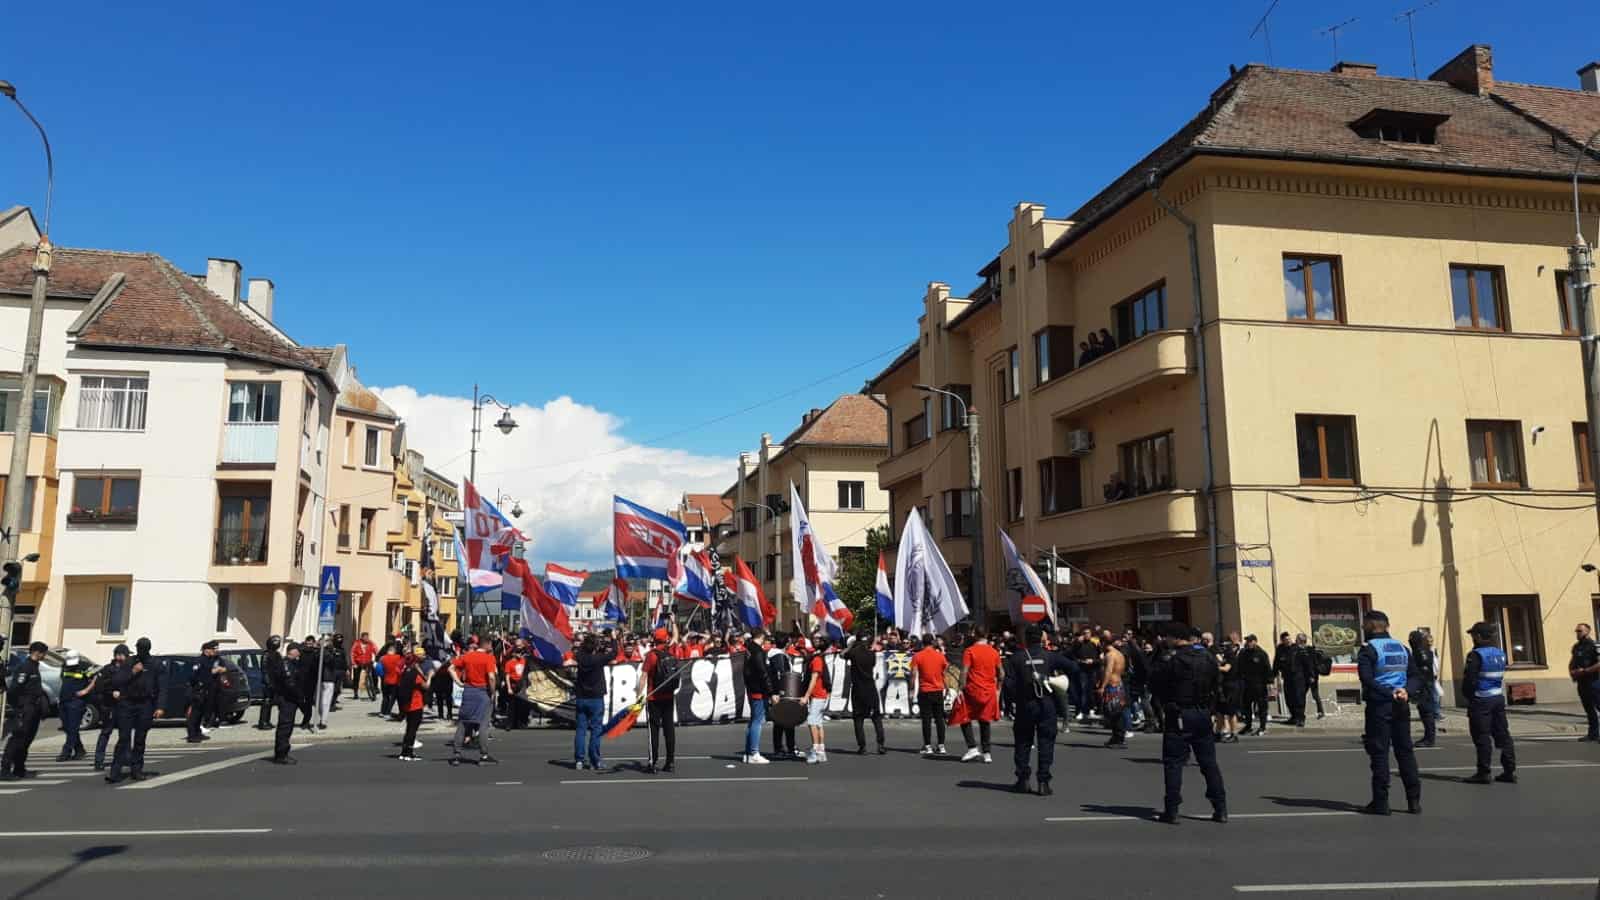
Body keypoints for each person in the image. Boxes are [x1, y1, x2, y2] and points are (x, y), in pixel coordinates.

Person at [1149, 624, 1227, 825]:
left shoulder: (1171, 659)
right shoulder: (1207, 657)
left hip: (1179, 714)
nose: (1165, 641)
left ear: (1175, 638)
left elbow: (1155, 683)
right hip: (1202, 713)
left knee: (1173, 763)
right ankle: (1221, 808)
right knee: (1209, 763)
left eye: (1167, 637)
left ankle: (1172, 809)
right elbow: (1216, 682)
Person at [1356, 610, 1421, 815]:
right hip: (1401, 703)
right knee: (1405, 752)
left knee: (1379, 753)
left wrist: (1388, 692)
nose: (1362, 628)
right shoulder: (1402, 647)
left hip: (1380, 705)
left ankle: (1381, 803)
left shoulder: (1368, 648)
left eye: (1364, 624)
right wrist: (1405, 691)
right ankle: (1414, 802)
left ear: (1371, 625)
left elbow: (1366, 678)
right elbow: (1415, 676)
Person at [1006, 625, 1072, 795]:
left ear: (1026, 639)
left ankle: (1023, 781)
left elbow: (1008, 685)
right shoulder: (1050, 656)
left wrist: (1014, 699)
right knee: (1046, 742)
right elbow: (1074, 668)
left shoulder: (1016, 658)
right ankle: (1043, 783)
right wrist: (1053, 681)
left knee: (1022, 742)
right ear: (1042, 639)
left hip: (1024, 705)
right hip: (1046, 705)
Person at [1459, 622, 1516, 785]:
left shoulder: (1476, 655)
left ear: (1478, 636)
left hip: (1481, 699)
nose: (1472, 638)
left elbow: (1469, 680)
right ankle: (1509, 770)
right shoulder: (1500, 653)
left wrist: (1469, 696)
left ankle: (1483, 772)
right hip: (1497, 697)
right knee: (1503, 734)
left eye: (1473, 635)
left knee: (1482, 736)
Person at [1, 641, 50, 780]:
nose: (44, 656)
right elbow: (14, 690)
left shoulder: (34, 667)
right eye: (44, 653)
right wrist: (20, 708)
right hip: (25, 709)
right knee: (17, 740)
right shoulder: (25, 667)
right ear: (37, 653)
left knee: (26, 740)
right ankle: (5, 769)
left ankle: (19, 769)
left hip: (33, 709)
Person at [954, 628, 1002, 763]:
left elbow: (964, 671)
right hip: (989, 690)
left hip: (972, 689)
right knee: (985, 720)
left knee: (963, 716)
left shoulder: (969, 651)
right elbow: (1001, 673)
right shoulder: (994, 652)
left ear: (975, 635)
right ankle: (987, 752)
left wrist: (959, 689)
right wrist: (998, 688)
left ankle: (972, 747)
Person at [567, 633, 608, 772]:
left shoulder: (579, 656)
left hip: (581, 697)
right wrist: (612, 639)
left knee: (581, 730)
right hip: (596, 697)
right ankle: (594, 760)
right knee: (596, 730)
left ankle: (579, 759)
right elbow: (614, 652)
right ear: (595, 646)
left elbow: (578, 652)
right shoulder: (599, 659)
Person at [642, 627, 680, 773]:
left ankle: (653, 762)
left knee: (654, 730)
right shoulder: (671, 651)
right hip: (668, 696)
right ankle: (670, 762)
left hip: (653, 697)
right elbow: (676, 637)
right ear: (666, 639)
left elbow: (644, 677)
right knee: (669, 729)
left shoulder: (651, 655)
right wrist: (673, 622)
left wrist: (640, 695)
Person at [128, 636, 166, 780]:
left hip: (146, 704)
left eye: (143, 648)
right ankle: (121, 765)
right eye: (139, 648)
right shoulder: (131, 662)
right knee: (124, 737)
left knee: (140, 738)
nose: (140, 650)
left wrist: (160, 707)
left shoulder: (156, 664)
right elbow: (121, 679)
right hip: (129, 703)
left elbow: (162, 687)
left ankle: (136, 769)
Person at [844, 628, 886, 755]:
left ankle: (862, 747)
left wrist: (851, 646)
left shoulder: (853, 653)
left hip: (858, 689)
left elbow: (842, 654)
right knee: (876, 718)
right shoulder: (871, 654)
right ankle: (881, 745)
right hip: (870, 688)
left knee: (858, 719)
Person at [268, 642, 305, 764]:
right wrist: (299, 696)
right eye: (298, 650)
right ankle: (281, 754)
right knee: (285, 726)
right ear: (292, 651)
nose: (299, 653)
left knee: (287, 726)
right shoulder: (285, 664)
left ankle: (282, 753)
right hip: (286, 699)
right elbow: (290, 684)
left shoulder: (292, 664)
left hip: (289, 698)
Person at [742, 628, 775, 765]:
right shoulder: (757, 651)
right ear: (761, 636)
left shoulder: (749, 649)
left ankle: (749, 752)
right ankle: (754, 752)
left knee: (753, 721)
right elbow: (763, 672)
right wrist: (771, 692)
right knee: (757, 721)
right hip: (758, 689)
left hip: (751, 687)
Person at [89, 646, 125, 771]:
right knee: (106, 732)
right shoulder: (107, 670)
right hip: (109, 706)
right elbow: (99, 687)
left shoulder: (127, 669)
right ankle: (98, 761)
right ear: (118, 656)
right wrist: (111, 692)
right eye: (124, 655)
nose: (125, 658)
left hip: (123, 706)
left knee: (124, 733)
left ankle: (125, 758)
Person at [912, 634, 949, 755]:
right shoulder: (940, 656)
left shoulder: (917, 656)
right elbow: (945, 673)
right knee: (939, 719)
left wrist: (911, 689)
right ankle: (941, 745)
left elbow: (913, 674)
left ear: (922, 643)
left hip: (925, 690)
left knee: (926, 719)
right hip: (938, 689)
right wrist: (947, 687)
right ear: (932, 642)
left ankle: (928, 746)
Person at [186, 640, 226, 743]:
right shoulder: (199, 660)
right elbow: (194, 675)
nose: (214, 651)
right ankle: (191, 735)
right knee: (195, 713)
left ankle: (197, 732)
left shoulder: (210, 660)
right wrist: (200, 683)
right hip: (198, 690)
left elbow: (218, 669)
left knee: (201, 713)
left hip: (207, 690)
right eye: (212, 649)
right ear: (206, 650)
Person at [56, 651, 93, 761]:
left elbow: (96, 678)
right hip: (64, 699)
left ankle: (66, 751)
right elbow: (63, 679)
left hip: (77, 701)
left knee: (73, 727)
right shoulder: (65, 665)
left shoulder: (84, 666)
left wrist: (86, 690)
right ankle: (80, 750)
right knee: (67, 727)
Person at [768, 633, 799, 760]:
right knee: (786, 722)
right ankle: (788, 748)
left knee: (780, 722)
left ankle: (781, 748)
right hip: (783, 693)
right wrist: (778, 692)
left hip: (780, 692)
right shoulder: (778, 656)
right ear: (786, 643)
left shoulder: (775, 654)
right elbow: (781, 675)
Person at [804, 637, 833, 764]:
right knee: (819, 723)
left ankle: (815, 751)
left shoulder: (816, 660)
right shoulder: (819, 658)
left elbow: (813, 679)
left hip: (817, 695)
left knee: (812, 722)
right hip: (821, 695)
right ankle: (821, 751)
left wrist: (806, 695)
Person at [397, 647, 429, 761]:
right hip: (415, 704)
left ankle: (404, 752)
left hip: (407, 704)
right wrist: (430, 676)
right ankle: (408, 753)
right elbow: (426, 686)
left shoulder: (405, 672)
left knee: (408, 729)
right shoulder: (415, 674)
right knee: (412, 730)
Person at [1569, 622, 1599, 742]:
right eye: (1576, 631)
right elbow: (1572, 661)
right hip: (1582, 682)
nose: (1577, 633)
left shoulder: (1594, 645)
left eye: (1580, 631)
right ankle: (1593, 734)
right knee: (1589, 709)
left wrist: (1585, 671)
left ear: (1587, 631)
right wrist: (1572, 672)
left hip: (1594, 681)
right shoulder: (1576, 646)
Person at [1236, 634, 1272, 735]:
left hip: (1259, 684)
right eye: (1247, 641)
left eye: (1250, 641)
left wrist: (1270, 683)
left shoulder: (1261, 654)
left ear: (1255, 641)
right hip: (1246, 684)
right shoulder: (1243, 653)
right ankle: (1248, 726)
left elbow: (1267, 669)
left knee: (1262, 707)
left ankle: (1262, 727)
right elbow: (1238, 667)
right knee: (1246, 707)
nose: (1248, 643)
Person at [1410, 629, 1439, 747]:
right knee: (1426, 712)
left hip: (1424, 685)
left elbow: (1421, 670)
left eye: (1411, 639)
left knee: (1426, 713)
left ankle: (1429, 739)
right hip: (1427, 683)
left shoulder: (1419, 652)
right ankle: (1428, 737)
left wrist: (1417, 686)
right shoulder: (1427, 651)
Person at [1100, 632, 1129, 749]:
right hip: (1119, 684)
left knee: (1114, 713)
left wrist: (1102, 686)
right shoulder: (1119, 654)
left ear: (1103, 643)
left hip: (1112, 686)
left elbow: (1108, 671)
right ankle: (1116, 737)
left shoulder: (1110, 655)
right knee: (1117, 712)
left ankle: (1119, 738)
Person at [1274, 632, 1308, 727]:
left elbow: (1306, 663)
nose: (1288, 641)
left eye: (1289, 639)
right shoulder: (1280, 649)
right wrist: (1273, 675)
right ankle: (1293, 717)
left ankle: (1301, 718)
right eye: (1285, 640)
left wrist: (1310, 677)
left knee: (1299, 698)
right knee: (1289, 698)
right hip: (1287, 677)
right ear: (1282, 641)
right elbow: (1276, 663)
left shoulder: (1297, 649)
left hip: (1298, 677)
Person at [1213, 632, 1242, 744]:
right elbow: (1221, 662)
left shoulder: (1230, 655)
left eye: (1225, 644)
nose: (1223, 646)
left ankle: (1234, 734)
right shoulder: (1226, 654)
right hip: (1223, 687)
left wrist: (1215, 667)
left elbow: (1226, 668)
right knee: (1220, 711)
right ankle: (1217, 733)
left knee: (1231, 712)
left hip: (1231, 686)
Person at [318, 635, 348, 729]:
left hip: (332, 675)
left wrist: (346, 669)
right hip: (323, 677)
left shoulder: (337, 650)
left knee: (330, 696)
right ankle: (322, 718)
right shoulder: (323, 651)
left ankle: (324, 720)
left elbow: (342, 660)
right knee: (320, 701)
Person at [1299, 634, 1327, 720]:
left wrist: (1312, 676)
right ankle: (1301, 713)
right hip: (1307, 676)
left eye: (1298, 639)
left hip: (1311, 676)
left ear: (1301, 641)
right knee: (1303, 694)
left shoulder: (1309, 650)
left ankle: (1321, 712)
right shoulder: (1305, 650)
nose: (1296, 641)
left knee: (1314, 694)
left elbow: (1311, 664)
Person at [257, 635, 282, 730]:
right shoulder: (266, 655)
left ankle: (267, 721)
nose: (277, 643)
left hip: (275, 682)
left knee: (271, 702)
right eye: (275, 642)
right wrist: (268, 682)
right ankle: (263, 722)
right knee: (266, 702)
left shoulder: (277, 654)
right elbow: (264, 670)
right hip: (268, 683)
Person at [379, 642, 405, 719]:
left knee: (385, 697)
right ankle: (387, 712)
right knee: (392, 698)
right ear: (394, 651)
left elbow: (380, 668)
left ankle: (382, 712)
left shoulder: (383, 658)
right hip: (395, 680)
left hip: (386, 680)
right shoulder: (398, 657)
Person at [351, 632, 378, 701]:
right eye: (365, 637)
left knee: (374, 674)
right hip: (358, 663)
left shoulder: (371, 643)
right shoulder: (356, 643)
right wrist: (354, 663)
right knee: (356, 678)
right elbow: (352, 653)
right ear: (362, 637)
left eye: (367, 637)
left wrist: (376, 659)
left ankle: (374, 689)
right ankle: (355, 693)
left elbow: (376, 651)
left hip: (368, 662)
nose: (367, 638)